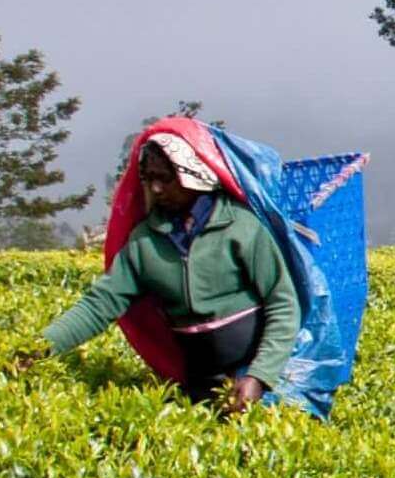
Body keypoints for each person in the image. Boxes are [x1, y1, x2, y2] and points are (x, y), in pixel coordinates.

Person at [25, 132, 299, 411]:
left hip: (260, 378)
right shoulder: (145, 242)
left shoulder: (240, 227)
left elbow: (283, 304)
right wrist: (39, 349)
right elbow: (100, 305)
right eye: (149, 178)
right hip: (199, 380)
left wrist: (260, 376)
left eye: (165, 178)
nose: (155, 189)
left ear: (194, 175)